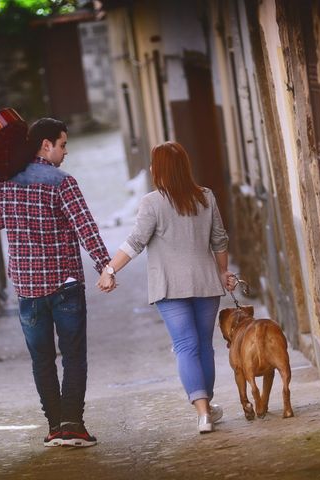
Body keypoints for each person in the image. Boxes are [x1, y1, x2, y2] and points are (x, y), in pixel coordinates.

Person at [0, 118, 114, 447]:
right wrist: (106, 266)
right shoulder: (62, 182)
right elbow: (85, 227)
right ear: (46, 145)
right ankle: (72, 425)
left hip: (28, 288)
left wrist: (0, 182)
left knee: (41, 359)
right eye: (62, 144)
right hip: (65, 283)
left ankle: (55, 427)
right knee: (73, 355)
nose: (65, 151)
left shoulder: (5, 182)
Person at [97, 141, 234, 433]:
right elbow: (219, 240)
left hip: (169, 287)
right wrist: (223, 271)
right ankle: (206, 409)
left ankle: (202, 413)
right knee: (203, 347)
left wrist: (109, 269)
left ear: (157, 170)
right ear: (185, 167)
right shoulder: (206, 197)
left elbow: (135, 242)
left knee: (185, 346)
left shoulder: (152, 202)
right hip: (206, 282)